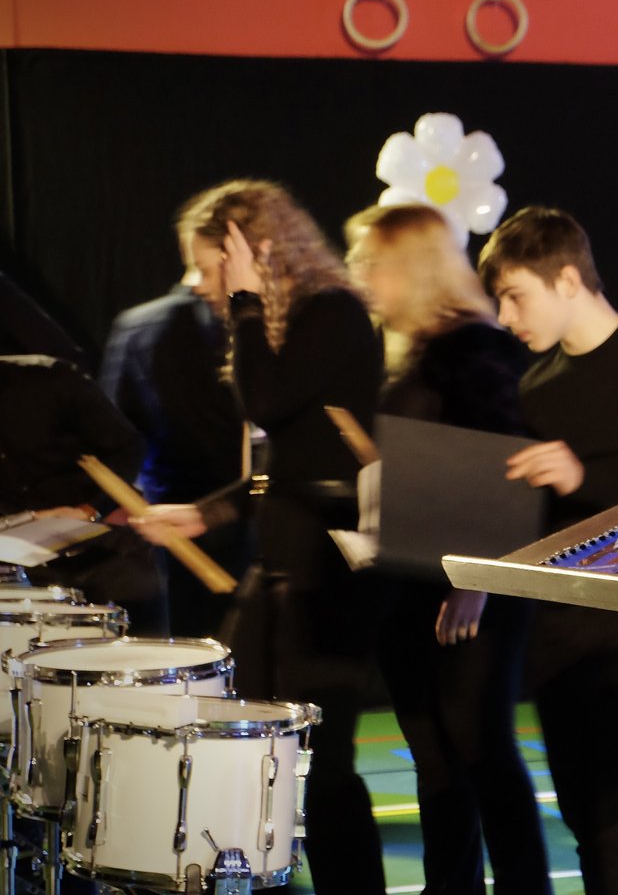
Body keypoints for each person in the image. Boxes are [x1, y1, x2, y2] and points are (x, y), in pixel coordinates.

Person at [132, 179, 386, 895]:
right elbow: (285, 464)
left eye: (207, 263)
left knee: (320, 762)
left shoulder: (331, 312)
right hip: (281, 566)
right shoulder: (286, 328)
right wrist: (205, 514)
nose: (196, 282)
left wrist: (245, 300)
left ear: (255, 251)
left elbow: (269, 405)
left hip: (327, 576)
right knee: (244, 738)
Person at [477, 206, 618, 895]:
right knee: (583, 823)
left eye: (516, 296)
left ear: (568, 280)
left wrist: (584, 480)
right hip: (560, 637)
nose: (505, 317)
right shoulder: (534, 387)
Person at [344, 203, 552, 895]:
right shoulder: (413, 349)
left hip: (469, 590)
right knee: (437, 757)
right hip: (412, 581)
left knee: (480, 749)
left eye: (373, 263)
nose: (360, 277)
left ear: (413, 268)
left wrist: (477, 578)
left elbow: (508, 468)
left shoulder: (475, 348)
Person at [101, 191, 251, 637]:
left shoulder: (138, 325)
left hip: (171, 519)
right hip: (245, 517)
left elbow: (116, 431)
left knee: (190, 651)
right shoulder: (260, 325)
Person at [0, 353, 168, 631]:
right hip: (30, 565)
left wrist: (90, 510)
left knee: (136, 649)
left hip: (108, 549)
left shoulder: (50, 378)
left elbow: (128, 448)